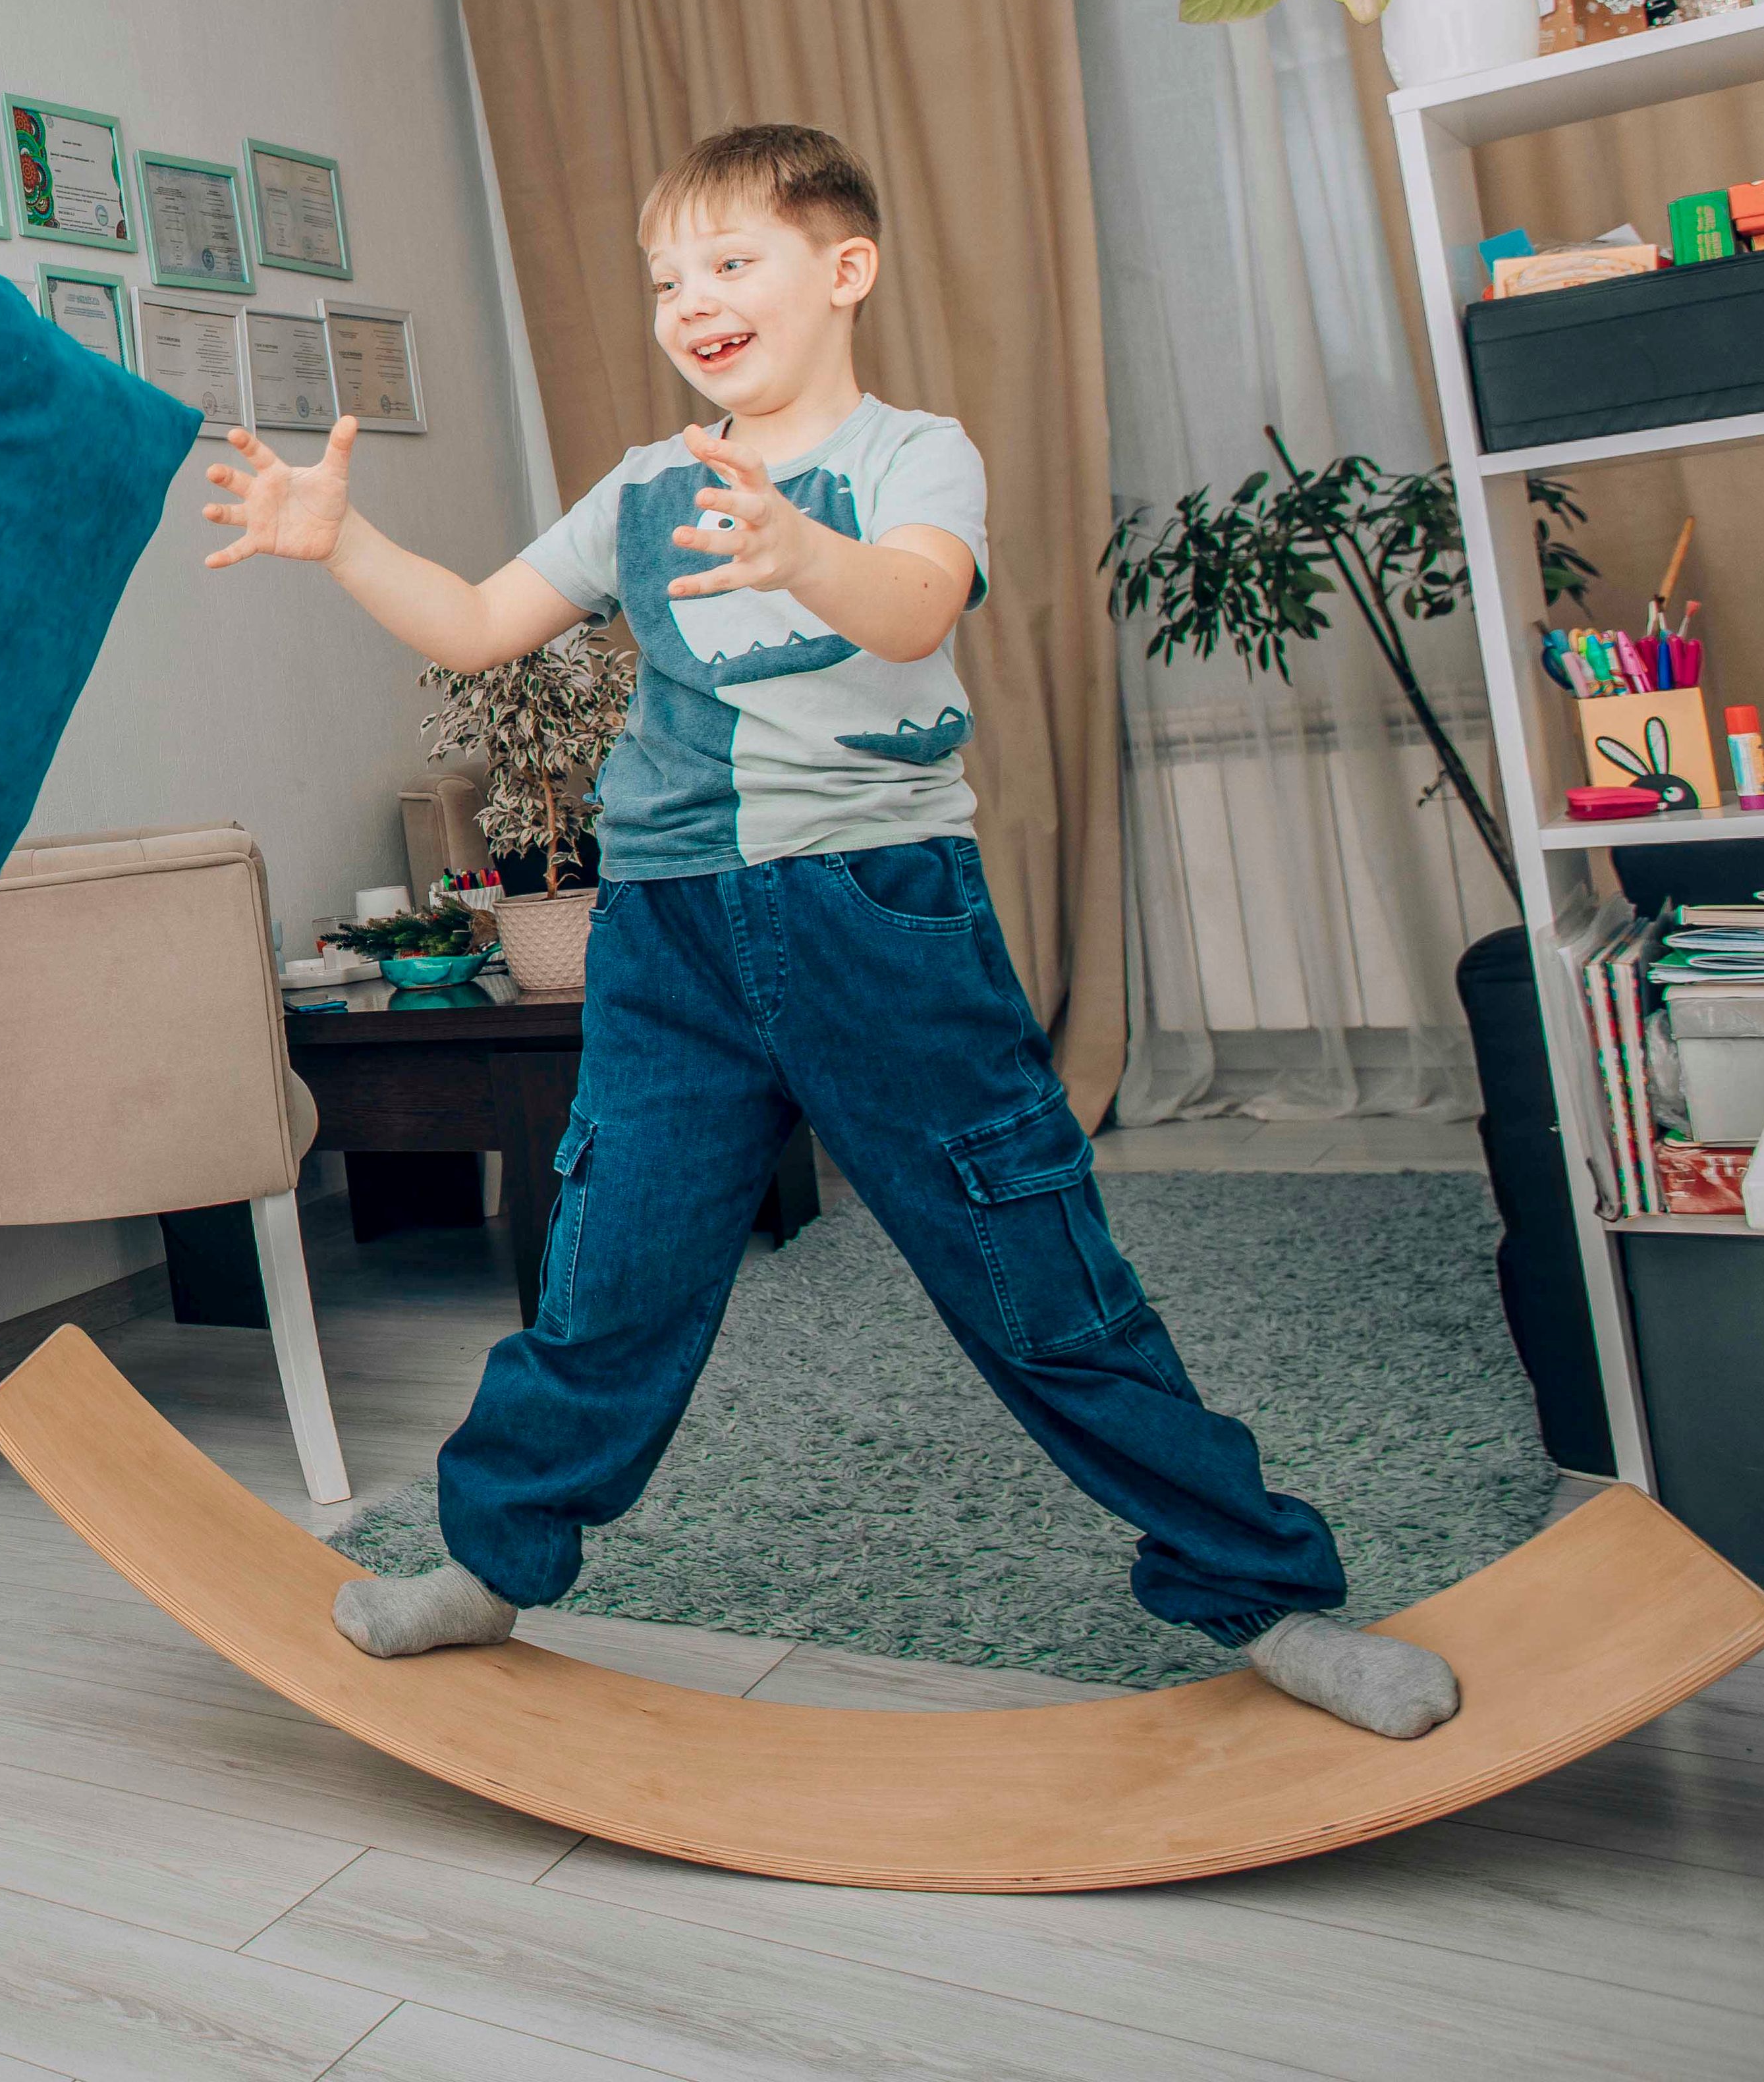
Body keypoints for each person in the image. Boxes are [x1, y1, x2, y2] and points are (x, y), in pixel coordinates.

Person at [200, 122, 1458, 1741]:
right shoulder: (648, 485)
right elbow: (481, 625)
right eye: (667, 279)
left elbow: (918, 607)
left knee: (1033, 1271)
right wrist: (344, 542)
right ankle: (490, 1566)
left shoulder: (917, 454)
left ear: (843, 271)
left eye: (732, 264)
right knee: (608, 1272)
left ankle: (1266, 1594)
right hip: (670, 936)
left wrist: (804, 547)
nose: (693, 301)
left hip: (877, 919)